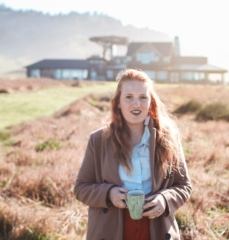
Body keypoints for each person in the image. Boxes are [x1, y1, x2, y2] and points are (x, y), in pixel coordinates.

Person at [74, 69, 192, 240]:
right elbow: (81, 188)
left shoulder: (169, 138)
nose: (136, 104)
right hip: (110, 231)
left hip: (156, 230)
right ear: (118, 103)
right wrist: (109, 194)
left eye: (143, 97)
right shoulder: (98, 140)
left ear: (151, 103)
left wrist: (164, 200)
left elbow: (184, 186)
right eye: (128, 97)